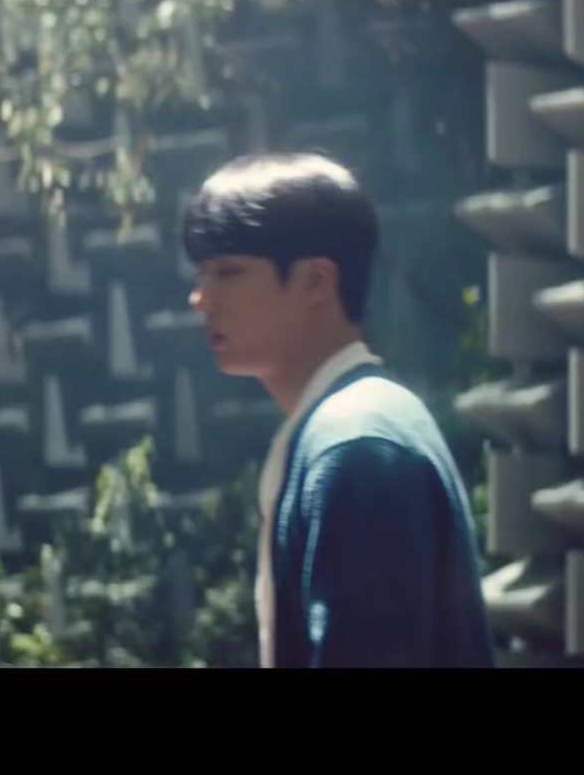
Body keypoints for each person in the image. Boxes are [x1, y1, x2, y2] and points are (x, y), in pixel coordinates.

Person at [182, 152, 495, 668]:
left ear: (315, 283)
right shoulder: (349, 429)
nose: (201, 298)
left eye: (229, 272)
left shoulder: (356, 447)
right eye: (202, 272)